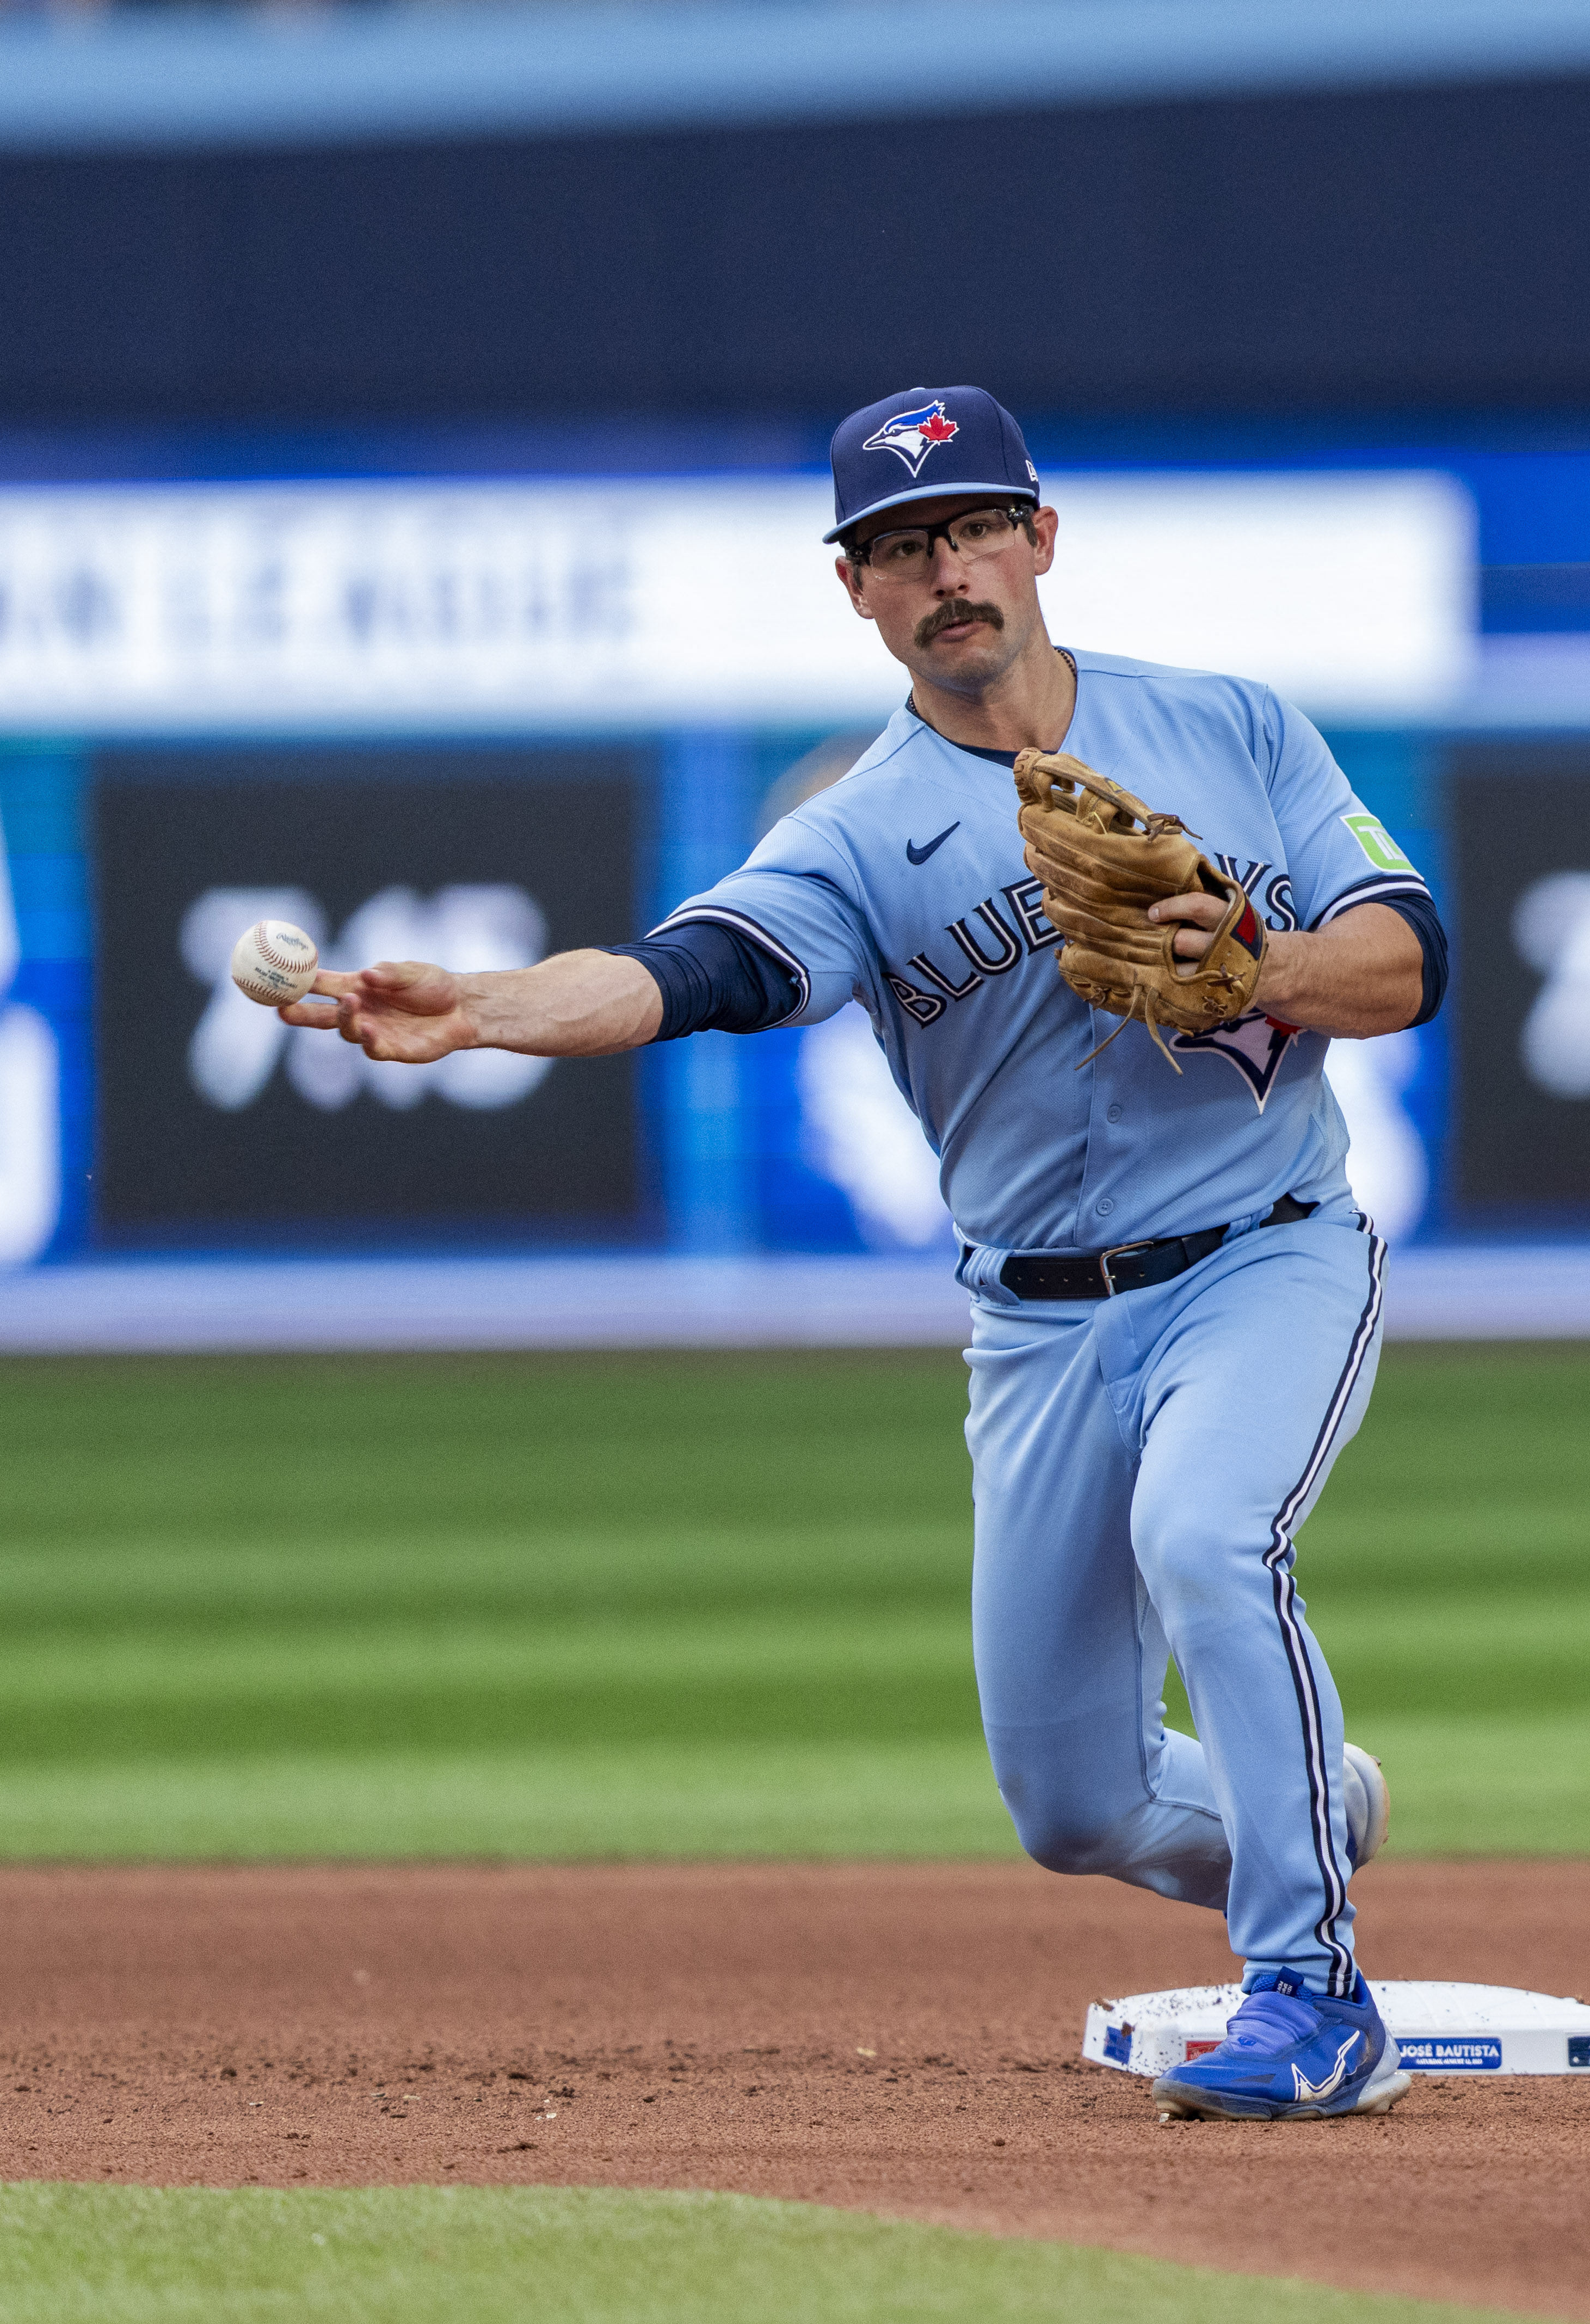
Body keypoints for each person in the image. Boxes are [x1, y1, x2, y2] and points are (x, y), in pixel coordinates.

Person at [279, 386, 1443, 2124]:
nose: (943, 571)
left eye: (970, 528)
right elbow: (697, 970)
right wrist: (489, 1011)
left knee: (1209, 1532)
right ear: (857, 594)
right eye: (898, 549)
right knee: (1075, 1806)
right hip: (1038, 1322)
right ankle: (1313, 1808)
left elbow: (1403, 959)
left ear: (1040, 540)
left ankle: (1311, 1994)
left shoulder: (1234, 726)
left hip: (1264, 1251)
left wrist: (1258, 968)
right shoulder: (853, 827)